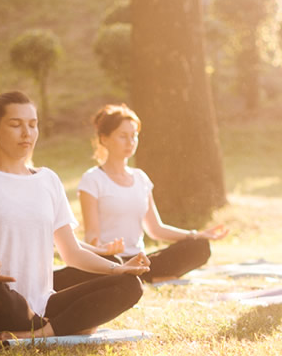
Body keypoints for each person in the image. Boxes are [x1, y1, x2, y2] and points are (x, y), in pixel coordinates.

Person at [0, 92, 150, 341]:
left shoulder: (47, 180)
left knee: (128, 285)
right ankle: (72, 324)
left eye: (32, 125)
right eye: (15, 125)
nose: (26, 133)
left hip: (42, 304)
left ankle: (43, 331)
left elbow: (71, 252)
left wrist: (118, 269)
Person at [51, 104, 228, 289]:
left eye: (134, 135)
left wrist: (196, 235)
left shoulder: (141, 178)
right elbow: (92, 234)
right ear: (104, 139)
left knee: (198, 247)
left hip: (141, 261)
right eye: (123, 136)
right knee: (112, 261)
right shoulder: (93, 179)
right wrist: (102, 249)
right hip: (110, 260)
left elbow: (156, 229)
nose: (130, 141)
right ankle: (130, 276)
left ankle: (139, 276)